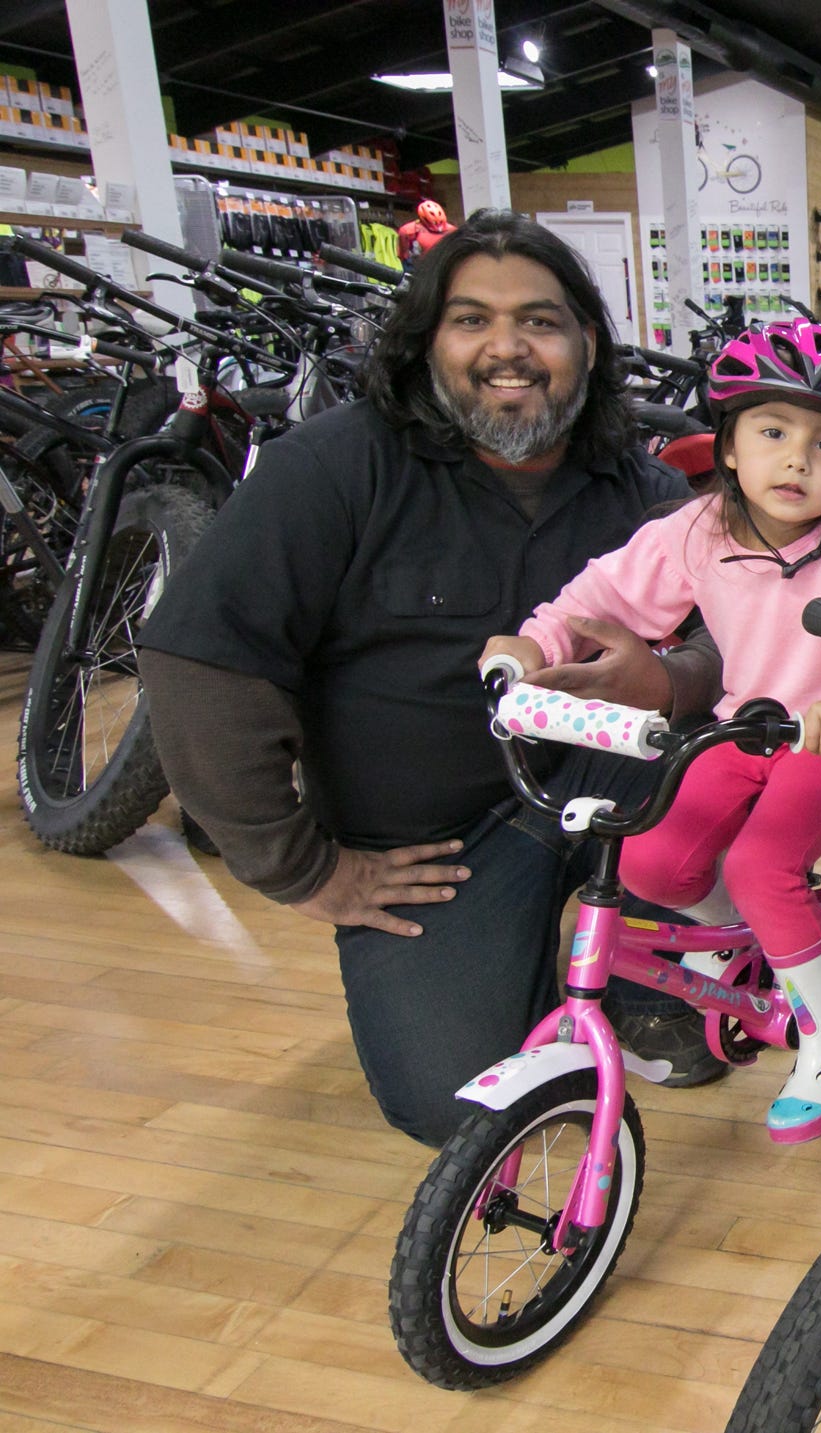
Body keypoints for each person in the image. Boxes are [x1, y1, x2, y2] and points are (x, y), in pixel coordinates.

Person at [138, 210, 727, 1147]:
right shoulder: (334, 466)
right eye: (472, 320)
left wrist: (670, 679)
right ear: (425, 342)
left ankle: (624, 966)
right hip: (430, 849)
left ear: (584, 342)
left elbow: (737, 638)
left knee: (746, 768)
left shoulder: (639, 488)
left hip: (598, 786)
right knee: (457, 1103)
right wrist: (306, 871)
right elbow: (204, 661)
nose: (509, 348)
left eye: (540, 320)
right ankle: (526, 962)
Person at [486, 318, 821, 1142]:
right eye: (772, 431)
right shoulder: (696, 531)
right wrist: (533, 643)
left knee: (762, 863)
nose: (797, 458)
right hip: (742, 730)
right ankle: (753, 934)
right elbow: (598, 597)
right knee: (654, 860)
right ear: (725, 447)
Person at [398, 198, 453, 266]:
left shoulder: (453, 231)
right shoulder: (408, 231)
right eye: (434, 222)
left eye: (439, 223)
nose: (437, 226)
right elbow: (403, 258)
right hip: (420, 269)